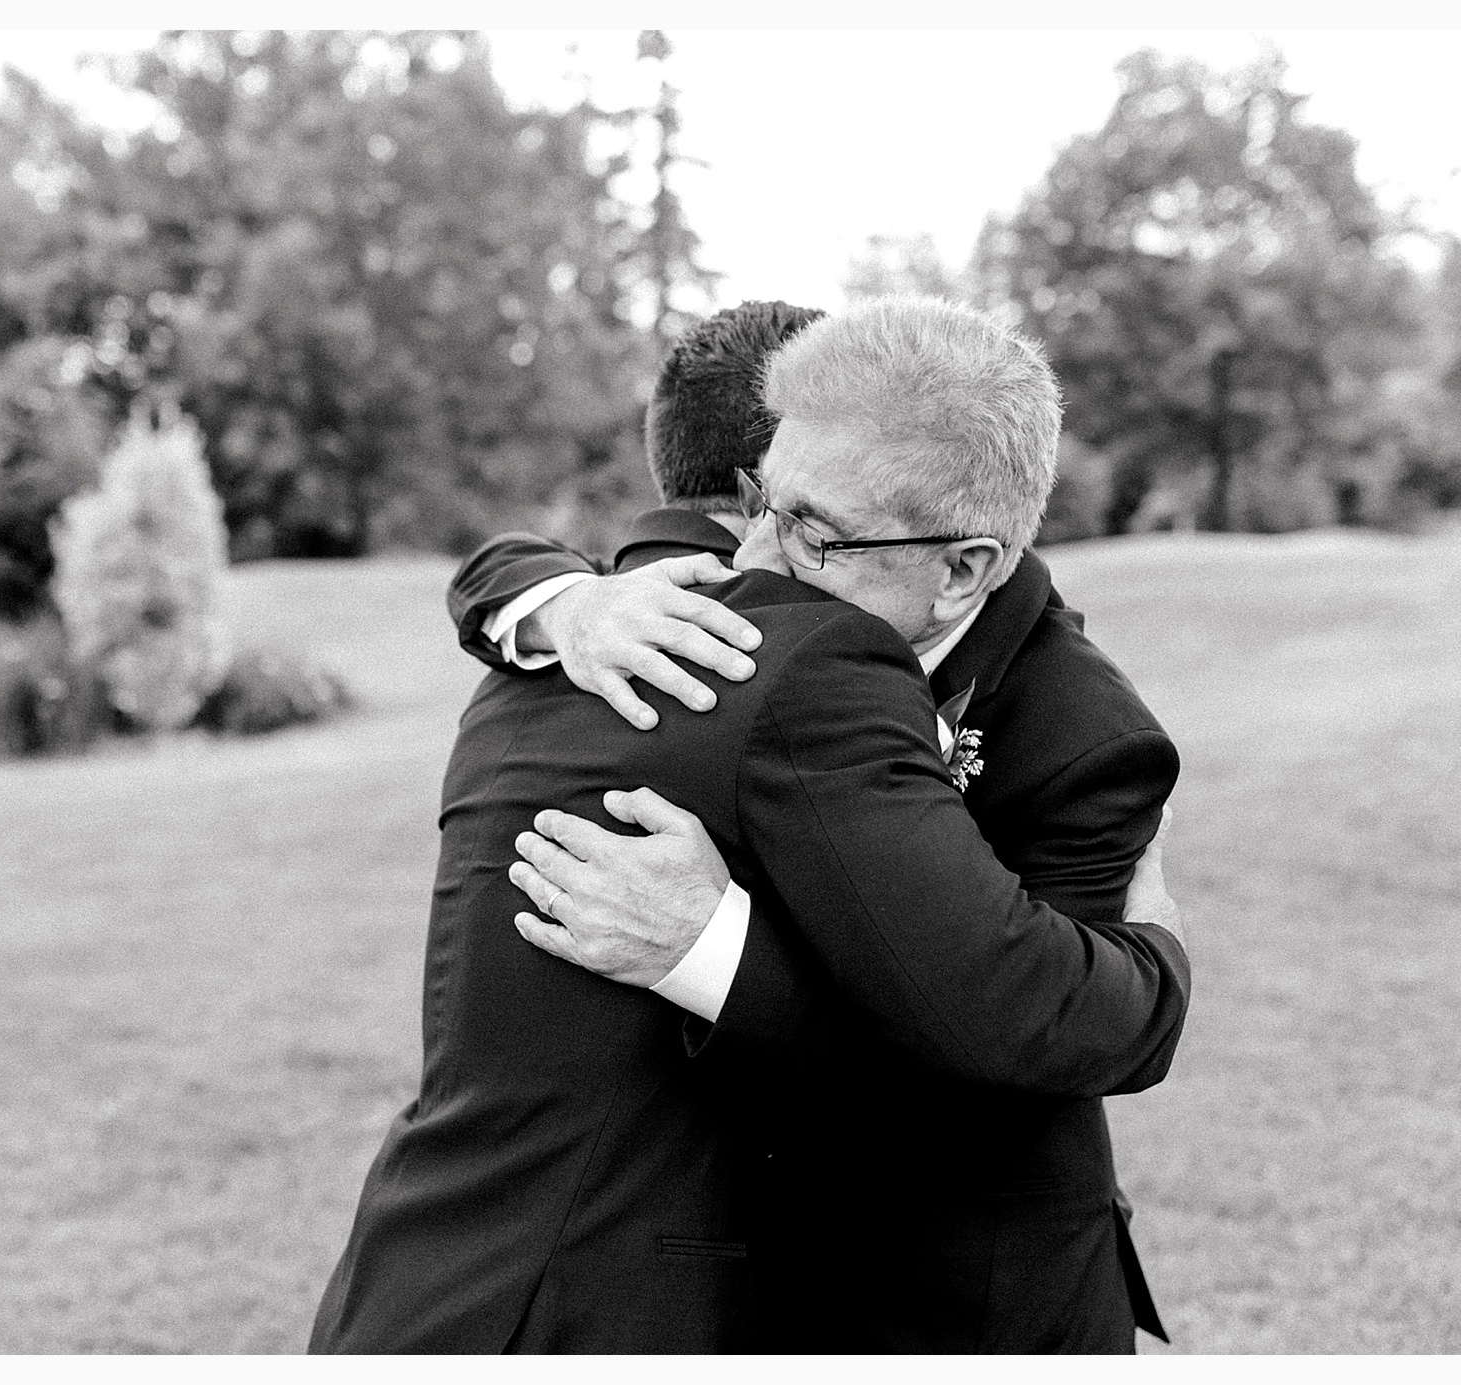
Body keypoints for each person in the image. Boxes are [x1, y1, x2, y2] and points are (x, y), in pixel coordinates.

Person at [308, 299, 1188, 1354]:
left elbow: (1013, 1042)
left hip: (960, 1297)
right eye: (762, 502)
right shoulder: (642, 626)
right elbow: (533, 561)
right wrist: (551, 602)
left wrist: (712, 951)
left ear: (963, 565)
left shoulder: (1081, 734)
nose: (756, 556)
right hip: (680, 1280)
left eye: (807, 530)